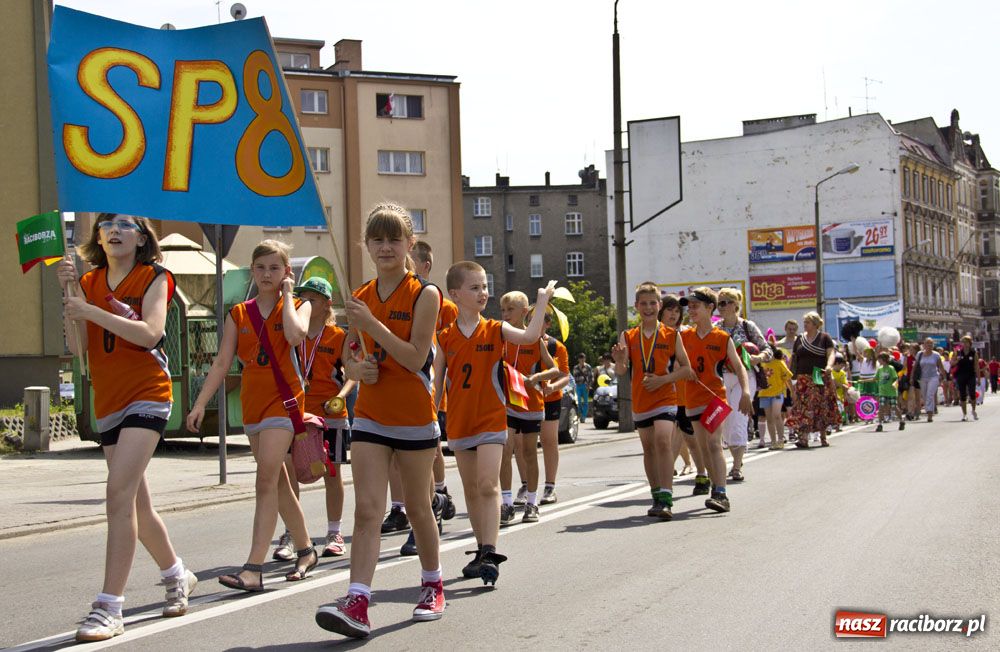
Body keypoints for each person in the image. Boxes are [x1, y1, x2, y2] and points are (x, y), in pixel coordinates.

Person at [60, 214, 197, 642]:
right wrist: (71, 301)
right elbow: (78, 348)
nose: (114, 230)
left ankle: (109, 606)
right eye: (106, 225)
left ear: (141, 238)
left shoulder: (155, 276)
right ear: (98, 238)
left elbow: (150, 334)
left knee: (117, 494)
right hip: (109, 401)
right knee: (137, 504)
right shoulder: (88, 283)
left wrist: (92, 312)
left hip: (148, 395)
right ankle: (178, 574)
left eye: (125, 224)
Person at [315, 204, 445, 638]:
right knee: (368, 511)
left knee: (418, 509)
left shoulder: (425, 294)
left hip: (413, 418)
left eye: (394, 239)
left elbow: (415, 358)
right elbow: (350, 357)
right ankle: (358, 600)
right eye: (377, 240)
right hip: (370, 416)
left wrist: (373, 324)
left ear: (410, 244)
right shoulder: (361, 295)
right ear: (366, 245)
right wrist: (356, 370)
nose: (385, 247)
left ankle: (432, 583)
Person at [188, 240, 316, 592]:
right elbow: (220, 362)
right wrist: (200, 403)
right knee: (277, 483)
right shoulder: (238, 314)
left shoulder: (299, 306)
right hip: (253, 406)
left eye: (275, 268)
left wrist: (288, 295)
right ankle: (306, 549)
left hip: (284, 403)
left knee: (264, 480)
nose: (266, 274)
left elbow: (295, 334)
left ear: (286, 272)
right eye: (260, 267)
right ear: (252, 270)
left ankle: (253, 568)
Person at [434, 261, 555, 584]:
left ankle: (490, 551)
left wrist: (541, 301)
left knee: (487, 485)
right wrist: (431, 420)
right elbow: (437, 382)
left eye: (485, 286)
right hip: (460, 422)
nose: (483, 293)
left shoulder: (495, 329)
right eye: (475, 288)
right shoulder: (444, 338)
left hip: (490, 419)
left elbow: (530, 337)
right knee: (472, 490)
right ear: (455, 294)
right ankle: (479, 548)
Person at [272, 278, 356, 561]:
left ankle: (334, 533)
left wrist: (341, 396)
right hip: (295, 415)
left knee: (331, 474)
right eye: (301, 298)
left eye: (312, 299)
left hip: (330, 416)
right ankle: (291, 534)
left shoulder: (337, 336)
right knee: (289, 474)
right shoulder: (292, 334)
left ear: (326, 304)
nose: (304, 303)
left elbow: (352, 373)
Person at [390, 240, 457, 557]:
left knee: (426, 455)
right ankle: (421, 506)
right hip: (392, 390)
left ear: (424, 265)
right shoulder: (385, 295)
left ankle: (434, 507)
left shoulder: (437, 301)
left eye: (409, 261)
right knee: (405, 458)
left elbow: (453, 349)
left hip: (427, 386)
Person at [611, 282, 694, 519]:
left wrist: (663, 380)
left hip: (666, 397)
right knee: (648, 448)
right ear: (637, 306)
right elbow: (620, 371)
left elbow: (686, 369)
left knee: (663, 441)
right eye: (643, 303)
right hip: (641, 400)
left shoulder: (672, 334)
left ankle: (667, 497)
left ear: (659, 306)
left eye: (652, 303)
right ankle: (656, 494)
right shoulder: (628, 335)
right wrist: (618, 360)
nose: (648, 307)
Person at [679, 288, 752, 513]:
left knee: (713, 443)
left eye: (695, 306)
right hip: (692, 399)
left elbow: (740, 367)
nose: (691, 311)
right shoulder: (683, 336)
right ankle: (715, 487)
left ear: (709, 308)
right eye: (689, 306)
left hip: (715, 398)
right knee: (702, 448)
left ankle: (721, 493)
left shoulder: (722, 337)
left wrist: (746, 393)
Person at [498, 292, 562, 524]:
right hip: (507, 403)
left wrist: (536, 377)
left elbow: (555, 370)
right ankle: (506, 504)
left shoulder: (534, 339)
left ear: (524, 312)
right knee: (505, 451)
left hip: (531, 403)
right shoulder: (501, 337)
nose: (505, 315)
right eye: (503, 311)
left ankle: (532, 503)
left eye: (510, 310)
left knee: (528, 452)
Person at [715, 288, 771, 480]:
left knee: (738, 418)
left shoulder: (748, 327)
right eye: (718, 303)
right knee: (726, 423)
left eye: (724, 303)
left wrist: (757, 358)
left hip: (744, 377)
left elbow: (767, 350)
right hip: (721, 378)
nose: (720, 307)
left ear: (735, 305)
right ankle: (735, 458)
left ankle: (736, 466)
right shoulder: (716, 329)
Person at [659, 295, 701, 478]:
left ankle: (702, 473)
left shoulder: (686, 333)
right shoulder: (652, 334)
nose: (674, 314)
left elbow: (691, 363)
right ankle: (666, 475)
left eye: (677, 311)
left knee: (690, 439)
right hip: (661, 394)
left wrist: (682, 367)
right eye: (670, 310)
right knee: (668, 438)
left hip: (684, 393)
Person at [785, 312, 839, 448]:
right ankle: (803, 438)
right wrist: (788, 372)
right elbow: (794, 356)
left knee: (818, 403)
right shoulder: (800, 339)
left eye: (807, 322)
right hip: (802, 376)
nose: (805, 325)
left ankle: (822, 435)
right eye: (804, 322)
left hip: (817, 374)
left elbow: (831, 353)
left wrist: (829, 365)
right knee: (802, 406)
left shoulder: (824, 337)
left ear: (815, 324)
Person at [539, 310, 571, 505]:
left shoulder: (555, 346)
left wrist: (552, 387)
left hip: (550, 398)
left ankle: (550, 485)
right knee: (520, 445)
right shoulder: (520, 342)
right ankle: (526, 485)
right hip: (525, 401)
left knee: (549, 440)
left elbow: (565, 375)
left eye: (539, 320)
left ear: (548, 324)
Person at [758, 347, 794, 449]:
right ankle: (773, 441)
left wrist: (792, 392)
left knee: (777, 415)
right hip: (764, 394)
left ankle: (780, 440)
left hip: (777, 393)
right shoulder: (760, 363)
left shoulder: (779, 363)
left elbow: (788, 378)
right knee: (769, 419)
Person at [913, 339, 946, 422]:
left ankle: (930, 415)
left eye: (931, 343)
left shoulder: (936, 355)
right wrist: (911, 377)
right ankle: (929, 410)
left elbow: (941, 367)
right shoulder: (919, 354)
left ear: (933, 345)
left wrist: (945, 377)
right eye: (927, 343)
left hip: (933, 377)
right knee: (924, 396)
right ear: (924, 345)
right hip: (922, 378)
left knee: (930, 395)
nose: (929, 345)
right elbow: (915, 366)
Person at [874, 351, 903, 431]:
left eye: (879, 359)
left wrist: (894, 384)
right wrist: (863, 380)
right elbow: (875, 378)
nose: (878, 361)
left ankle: (901, 421)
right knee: (881, 407)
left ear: (883, 359)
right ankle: (880, 424)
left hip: (891, 391)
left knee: (894, 407)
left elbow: (895, 378)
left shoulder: (891, 368)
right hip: (883, 391)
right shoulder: (880, 369)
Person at [954, 335, 980, 421]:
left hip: (971, 375)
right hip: (961, 375)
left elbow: (976, 366)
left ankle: (973, 410)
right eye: (963, 342)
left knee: (972, 393)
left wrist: (978, 378)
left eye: (966, 342)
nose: (965, 344)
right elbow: (952, 363)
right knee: (962, 395)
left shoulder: (974, 353)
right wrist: (956, 360)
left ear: (970, 343)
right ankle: (964, 414)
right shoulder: (958, 352)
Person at [572, 353, 594, 422]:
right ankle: (580, 414)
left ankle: (583, 416)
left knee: (585, 402)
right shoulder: (575, 367)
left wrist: (589, 386)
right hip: (578, 386)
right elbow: (574, 377)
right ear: (578, 359)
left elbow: (591, 377)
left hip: (585, 385)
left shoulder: (588, 367)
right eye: (580, 358)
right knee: (578, 401)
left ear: (585, 358)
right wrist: (574, 386)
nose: (582, 359)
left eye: (583, 358)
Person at [830, 354, 850, 428]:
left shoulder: (842, 373)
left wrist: (845, 393)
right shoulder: (831, 372)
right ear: (837, 363)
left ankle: (839, 423)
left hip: (841, 394)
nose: (842, 367)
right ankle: (833, 423)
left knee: (840, 409)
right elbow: (833, 382)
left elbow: (845, 384)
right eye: (841, 365)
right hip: (833, 394)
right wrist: (841, 385)